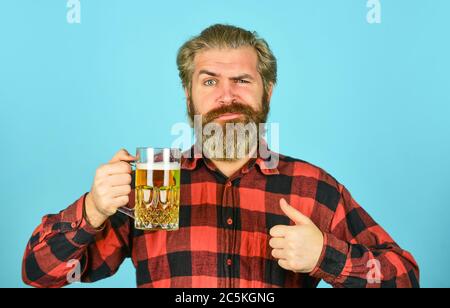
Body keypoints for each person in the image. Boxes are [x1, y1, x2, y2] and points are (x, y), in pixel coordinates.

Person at [22, 24, 419, 288]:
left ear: (268, 91)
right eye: (209, 80)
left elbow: (405, 277)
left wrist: (325, 256)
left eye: (242, 80)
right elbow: (39, 273)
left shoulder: (314, 188)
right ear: (188, 94)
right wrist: (92, 210)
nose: (226, 96)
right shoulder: (151, 180)